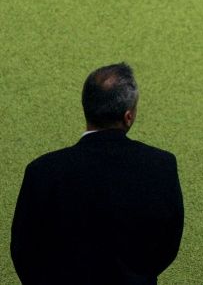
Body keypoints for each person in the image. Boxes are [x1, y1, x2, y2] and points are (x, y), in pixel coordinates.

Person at [11, 63, 184, 284]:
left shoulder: (42, 171)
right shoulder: (161, 165)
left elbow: (23, 250)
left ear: (86, 107)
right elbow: (167, 245)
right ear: (128, 117)